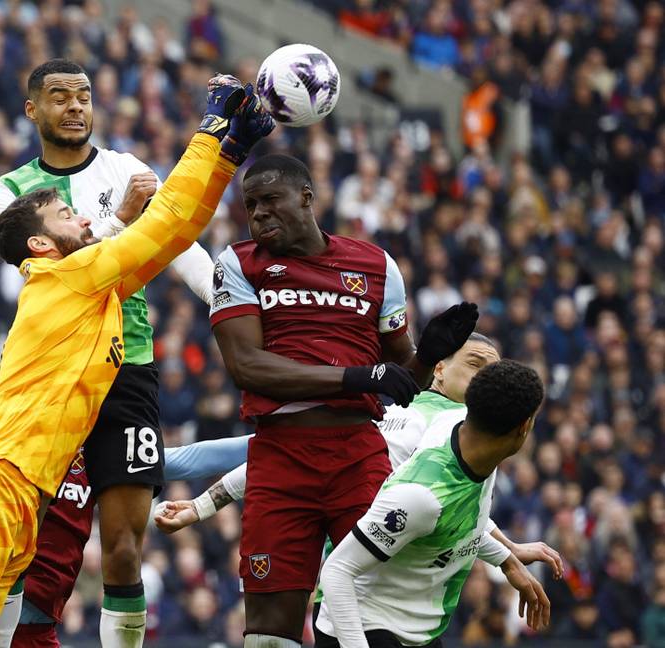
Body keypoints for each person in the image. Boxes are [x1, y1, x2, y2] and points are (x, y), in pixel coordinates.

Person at [0, 73, 268, 648]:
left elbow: (174, 230)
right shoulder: (68, 276)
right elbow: (159, 219)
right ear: (40, 244)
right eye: (68, 217)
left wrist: (231, 153)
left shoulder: (90, 286)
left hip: (21, 502)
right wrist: (212, 126)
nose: (88, 218)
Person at [0, 59, 249, 648]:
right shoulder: (7, 193)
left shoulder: (126, 167)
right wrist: (120, 220)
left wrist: (221, 301)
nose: (75, 107)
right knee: (20, 538)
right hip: (52, 375)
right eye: (59, 97)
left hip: (126, 366)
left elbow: (174, 241)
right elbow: (55, 265)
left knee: (125, 546)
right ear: (33, 110)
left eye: (83, 96)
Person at [207, 153, 479, 647]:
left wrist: (430, 355)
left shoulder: (376, 267)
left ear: (307, 198)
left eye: (270, 200)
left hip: (358, 455)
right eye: (251, 205)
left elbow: (402, 383)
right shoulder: (238, 263)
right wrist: (358, 376)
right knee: (268, 632)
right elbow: (247, 367)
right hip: (279, 459)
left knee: (381, 606)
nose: (259, 214)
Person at [155, 333, 562, 644]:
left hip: (397, 613)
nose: (484, 379)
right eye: (475, 364)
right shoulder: (435, 428)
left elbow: (454, 511)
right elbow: (300, 466)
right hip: (367, 612)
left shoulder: (444, 424)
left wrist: (506, 553)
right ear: (438, 368)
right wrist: (204, 505)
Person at [319, 360, 551, 648]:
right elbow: (337, 571)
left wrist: (507, 558)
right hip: (366, 628)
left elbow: (458, 518)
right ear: (524, 428)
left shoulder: (475, 441)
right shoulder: (421, 497)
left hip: (418, 633)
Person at [9, 434, 252, 648]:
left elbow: (186, 459)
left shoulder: (98, 453)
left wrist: (273, 437)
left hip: (39, 629)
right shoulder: (18, 428)